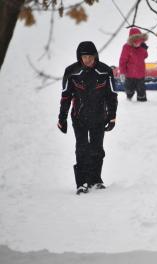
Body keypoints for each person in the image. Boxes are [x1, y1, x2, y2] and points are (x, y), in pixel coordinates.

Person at [57, 41, 118, 195]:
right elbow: (65, 97)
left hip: (99, 117)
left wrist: (112, 117)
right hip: (79, 118)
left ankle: (95, 179)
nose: (88, 60)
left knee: (97, 149)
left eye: (90, 56)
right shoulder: (71, 72)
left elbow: (111, 95)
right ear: (80, 57)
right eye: (84, 57)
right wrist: (62, 118)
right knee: (82, 148)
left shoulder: (104, 71)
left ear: (95, 56)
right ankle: (82, 182)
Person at [119, 27, 149, 102]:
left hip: (140, 74)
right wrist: (122, 72)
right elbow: (122, 61)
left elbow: (145, 56)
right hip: (129, 75)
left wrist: (144, 49)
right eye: (136, 42)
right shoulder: (126, 47)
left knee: (141, 92)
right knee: (129, 90)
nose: (138, 44)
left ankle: (142, 101)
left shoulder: (142, 47)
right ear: (131, 41)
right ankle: (129, 98)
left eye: (139, 42)